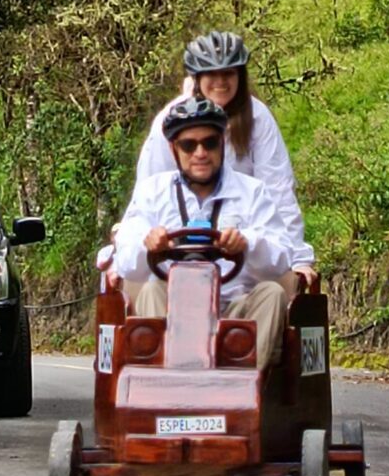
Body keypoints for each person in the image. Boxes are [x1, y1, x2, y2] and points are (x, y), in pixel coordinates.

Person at [112, 96, 293, 368]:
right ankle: (163, 389)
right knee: (150, 290)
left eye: (209, 142)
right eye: (189, 145)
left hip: (234, 307)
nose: (200, 153)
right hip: (174, 307)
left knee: (272, 292)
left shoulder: (252, 191)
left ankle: (245, 390)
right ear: (175, 150)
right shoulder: (152, 192)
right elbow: (126, 262)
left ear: (222, 144)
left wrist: (247, 243)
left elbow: (282, 257)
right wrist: (147, 243)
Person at [135, 31, 316, 286]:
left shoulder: (258, 119)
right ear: (196, 78)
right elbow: (148, 191)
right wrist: (146, 241)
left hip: (241, 243)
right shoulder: (170, 120)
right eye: (211, 74)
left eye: (228, 73)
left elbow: (278, 190)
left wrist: (297, 257)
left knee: (281, 291)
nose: (220, 82)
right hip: (177, 251)